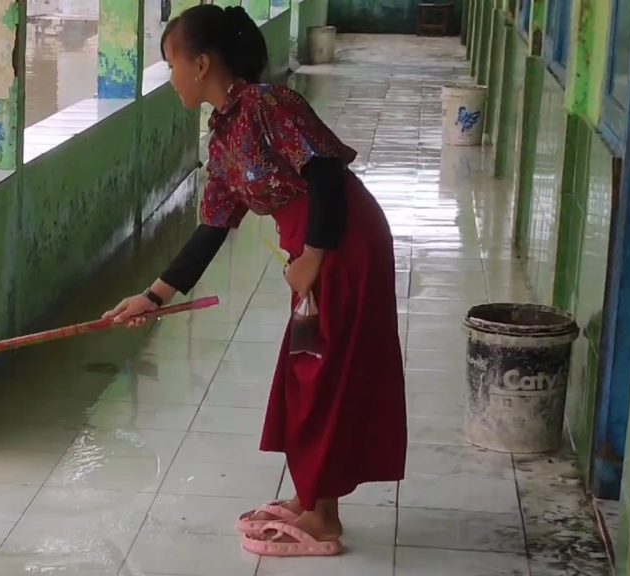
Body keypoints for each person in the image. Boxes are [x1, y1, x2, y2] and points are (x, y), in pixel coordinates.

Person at [103, 4, 407, 558]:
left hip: (344, 244)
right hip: (315, 251)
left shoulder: (270, 105)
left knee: (324, 372)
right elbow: (213, 228)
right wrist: (152, 296)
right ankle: (315, 501)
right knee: (308, 371)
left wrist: (314, 255)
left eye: (171, 63)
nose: (169, 77)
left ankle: (321, 521)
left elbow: (326, 174)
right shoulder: (223, 134)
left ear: (200, 64)